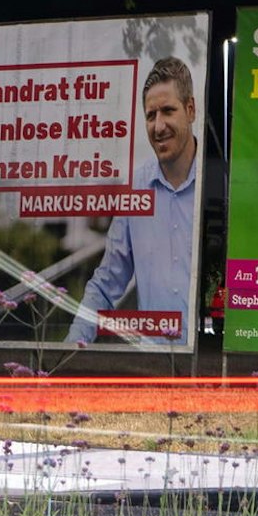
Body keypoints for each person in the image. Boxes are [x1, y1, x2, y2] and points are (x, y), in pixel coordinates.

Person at [69, 57, 200, 346]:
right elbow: (105, 285)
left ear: (190, 110)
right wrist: (71, 346)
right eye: (151, 115)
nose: (158, 126)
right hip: (153, 369)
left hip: (210, 366)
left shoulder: (219, 185)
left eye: (168, 111)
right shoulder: (135, 189)